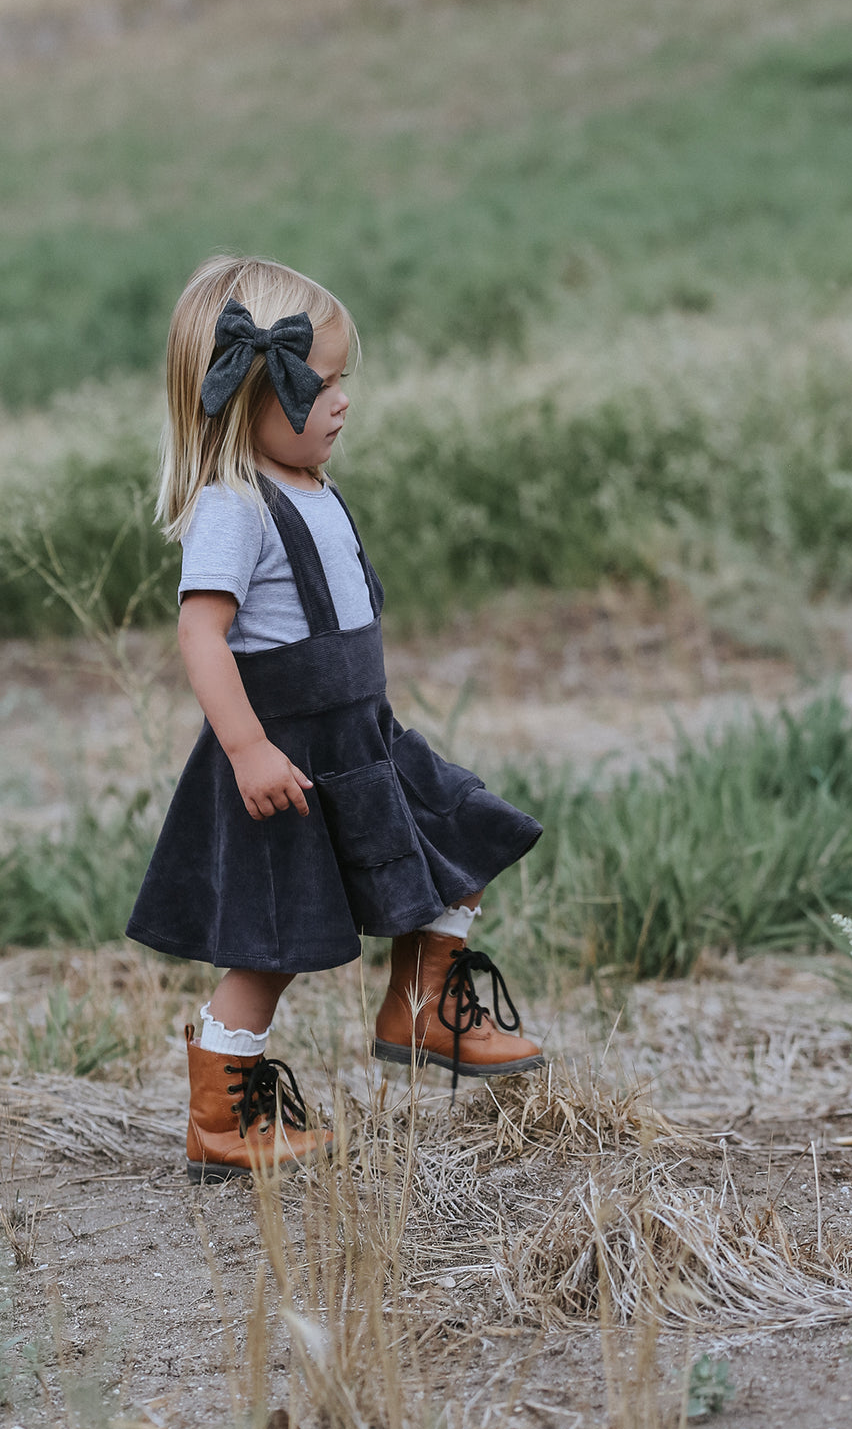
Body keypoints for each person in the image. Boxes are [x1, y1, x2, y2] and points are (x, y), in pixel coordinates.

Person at [126, 254, 544, 1182]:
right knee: (271, 948)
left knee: (460, 846)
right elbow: (202, 633)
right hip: (290, 757)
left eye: (346, 378)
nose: (345, 400)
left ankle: (423, 1009)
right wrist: (248, 750)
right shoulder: (236, 505)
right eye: (326, 381)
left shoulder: (313, 488)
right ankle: (222, 1114)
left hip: (365, 739)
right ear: (250, 393)